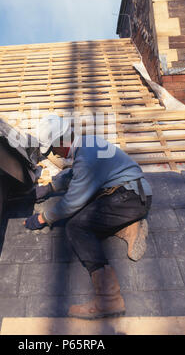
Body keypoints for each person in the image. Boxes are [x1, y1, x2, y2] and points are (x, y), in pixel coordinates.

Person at [24, 114, 152, 319]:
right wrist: (48, 188)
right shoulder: (86, 145)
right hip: (131, 195)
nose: (53, 154)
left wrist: (42, 218)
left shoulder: (86, 155)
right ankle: (128, 226)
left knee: (77, 227)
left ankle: (109, 299)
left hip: (130, 197)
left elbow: (72, 202)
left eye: (52, 149)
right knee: (86, 214)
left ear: (61, 141)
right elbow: (74, 175)